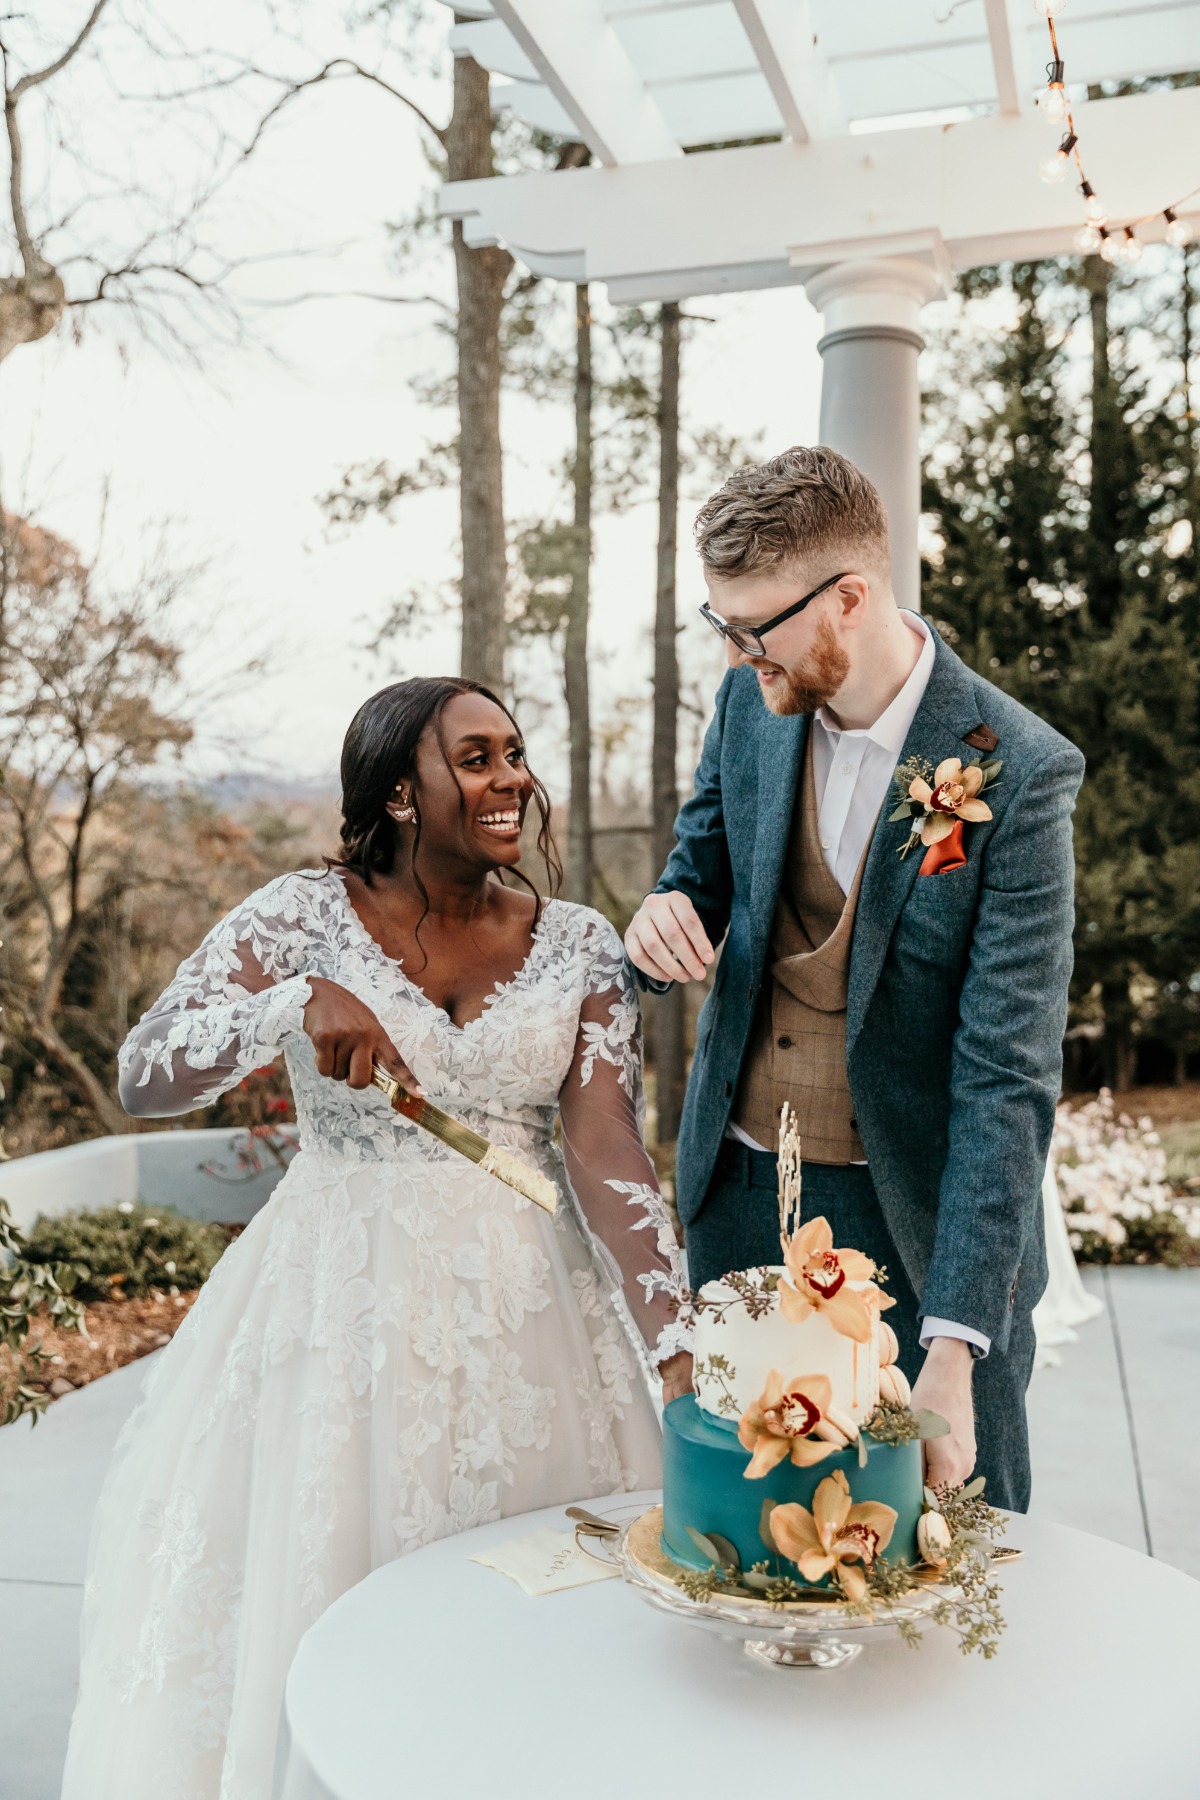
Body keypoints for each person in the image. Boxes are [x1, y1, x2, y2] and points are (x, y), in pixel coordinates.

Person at [63, 676, 692, 1800]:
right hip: (334, 1327)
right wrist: (286, 1004)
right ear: (403, 792)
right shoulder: (297, 918)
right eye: (479, 758)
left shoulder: (583, 946)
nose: (512, 781)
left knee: (533, 1640)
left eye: (516, 755)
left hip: (534, 1332)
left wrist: (681, 1356)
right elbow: (142, 1071)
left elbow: (608, 1155)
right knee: (336, 1612)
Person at [625, 445, 1084, 1513]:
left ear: (849, 598)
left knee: (937, 1543)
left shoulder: (1017, 772)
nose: (738, 658)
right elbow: (696, 877)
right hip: (738, 1203)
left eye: (754, 630)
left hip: (916, 1230)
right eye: (720, 627)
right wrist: (659, 918)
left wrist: (958, 1344)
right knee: (744, 1529)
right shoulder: (749, 708)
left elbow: (1005, 1078)